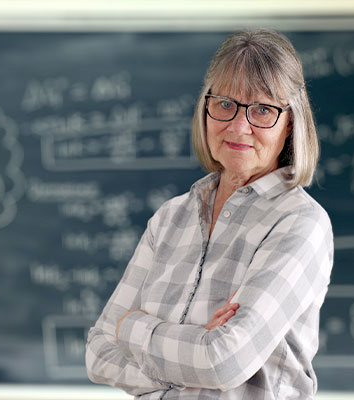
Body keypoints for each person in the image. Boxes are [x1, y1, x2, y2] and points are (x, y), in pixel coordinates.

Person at [85, 29, 334, 400]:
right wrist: (196, 343)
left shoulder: (300, 223)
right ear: (206, 107)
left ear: (291, 125)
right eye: (225, 104)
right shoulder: (170, 218)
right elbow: (98, 353)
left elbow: (222, 362)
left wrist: (132, 327)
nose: (238, 126)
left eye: (263, 109)